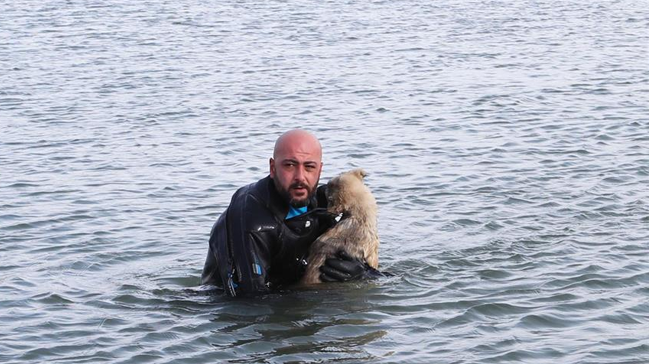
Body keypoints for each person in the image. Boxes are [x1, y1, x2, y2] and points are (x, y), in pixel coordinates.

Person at [201, 129, 379, 296]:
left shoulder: (322, 204)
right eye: (290, 165)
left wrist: (363, 273)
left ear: (320, 170)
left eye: (309, 167)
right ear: (272, 167)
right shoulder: (250, 221)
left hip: (291, 289)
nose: (300, 177)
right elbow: (250, 302)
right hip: (221, 302)